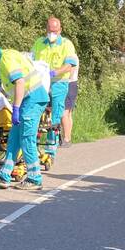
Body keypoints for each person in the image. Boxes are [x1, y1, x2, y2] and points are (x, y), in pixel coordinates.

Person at [0, 44, 50, 191]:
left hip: (32, 99)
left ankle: (35, 178)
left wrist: (15, 108)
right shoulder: (7, 57)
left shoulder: (6, 60)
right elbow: (11, 84)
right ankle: (4, 176)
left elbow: (20, 82)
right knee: (14, 139)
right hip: (28, 99)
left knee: (26, 139)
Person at [31, 17, 78, 159]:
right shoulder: (39, 43)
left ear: (60, 30)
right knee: (37, 110)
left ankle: (51, 147)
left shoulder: (66, 44)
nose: (52, 33)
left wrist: (54, 72)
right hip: (41, 82)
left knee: (57, 114)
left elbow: (69, 65)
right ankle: (35, 142)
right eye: (50, 30)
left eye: (55, 31)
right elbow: (31, 59)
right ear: (46, 29)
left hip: (59, 83)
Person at [61, 57, 79, 147]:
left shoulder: (71, 55)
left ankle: (66, 139)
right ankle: (67, 138)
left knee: (64, 113)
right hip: (71, 84)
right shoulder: (71, 54)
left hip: (68, 84)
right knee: (68, 113)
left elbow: (71, 72)